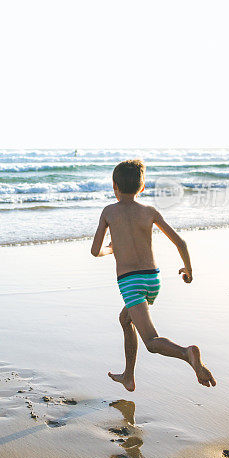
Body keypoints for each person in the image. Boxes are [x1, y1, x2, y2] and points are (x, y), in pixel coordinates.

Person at [91, 160, 216, 391]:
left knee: (151, 341)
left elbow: (95, 251)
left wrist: (111, 248)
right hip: (152, 280)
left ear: (113, 186)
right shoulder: (149, 212)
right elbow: (181, 242)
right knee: (125, 319)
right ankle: (128, 376)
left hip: (130, 283)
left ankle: (186, 353)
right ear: (142, 187)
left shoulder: (108, 212)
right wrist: (188, 270)